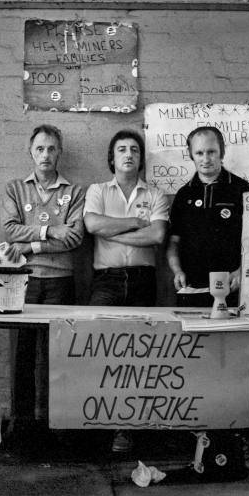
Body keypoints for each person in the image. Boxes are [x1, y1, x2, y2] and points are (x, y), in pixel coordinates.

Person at [84, 129, 169, 452]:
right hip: (106, 279)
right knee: (100, 349)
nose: (128, 154)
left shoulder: (157, 195)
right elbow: (92, 226)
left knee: (139, 354)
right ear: (112, 158)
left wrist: (113, 233)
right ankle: (96, 424)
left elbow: (158, 236)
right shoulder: (97, 190)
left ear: (141, 158)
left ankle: (127, 429)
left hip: (143, 279)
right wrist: (136, 222)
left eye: (134, 149)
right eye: (121, 149)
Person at [1, 124, 85, 438]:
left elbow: (74, 238)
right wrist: (50, 232)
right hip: (23, 281)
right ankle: (21, 426)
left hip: (60, 281)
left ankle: (55, 425)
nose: (45, 155)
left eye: (51, 149)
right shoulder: (14, 188)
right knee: (22, 354)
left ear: (60, 152)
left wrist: (29, 244)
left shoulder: (74, 192)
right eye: (40, 149)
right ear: (31, 152)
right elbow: (9, 231)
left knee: (57, 355)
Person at [166, 126, 249, 308]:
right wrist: (177, 271)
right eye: (199, 153)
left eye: (211, 152)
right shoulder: (184, 194)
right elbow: (174, 242)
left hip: (232, 290)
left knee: (231, 337)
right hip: (191, 290)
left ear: (222, 151)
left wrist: (241, 271)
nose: (205, 159)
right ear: (191, 155)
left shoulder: (241, 189)